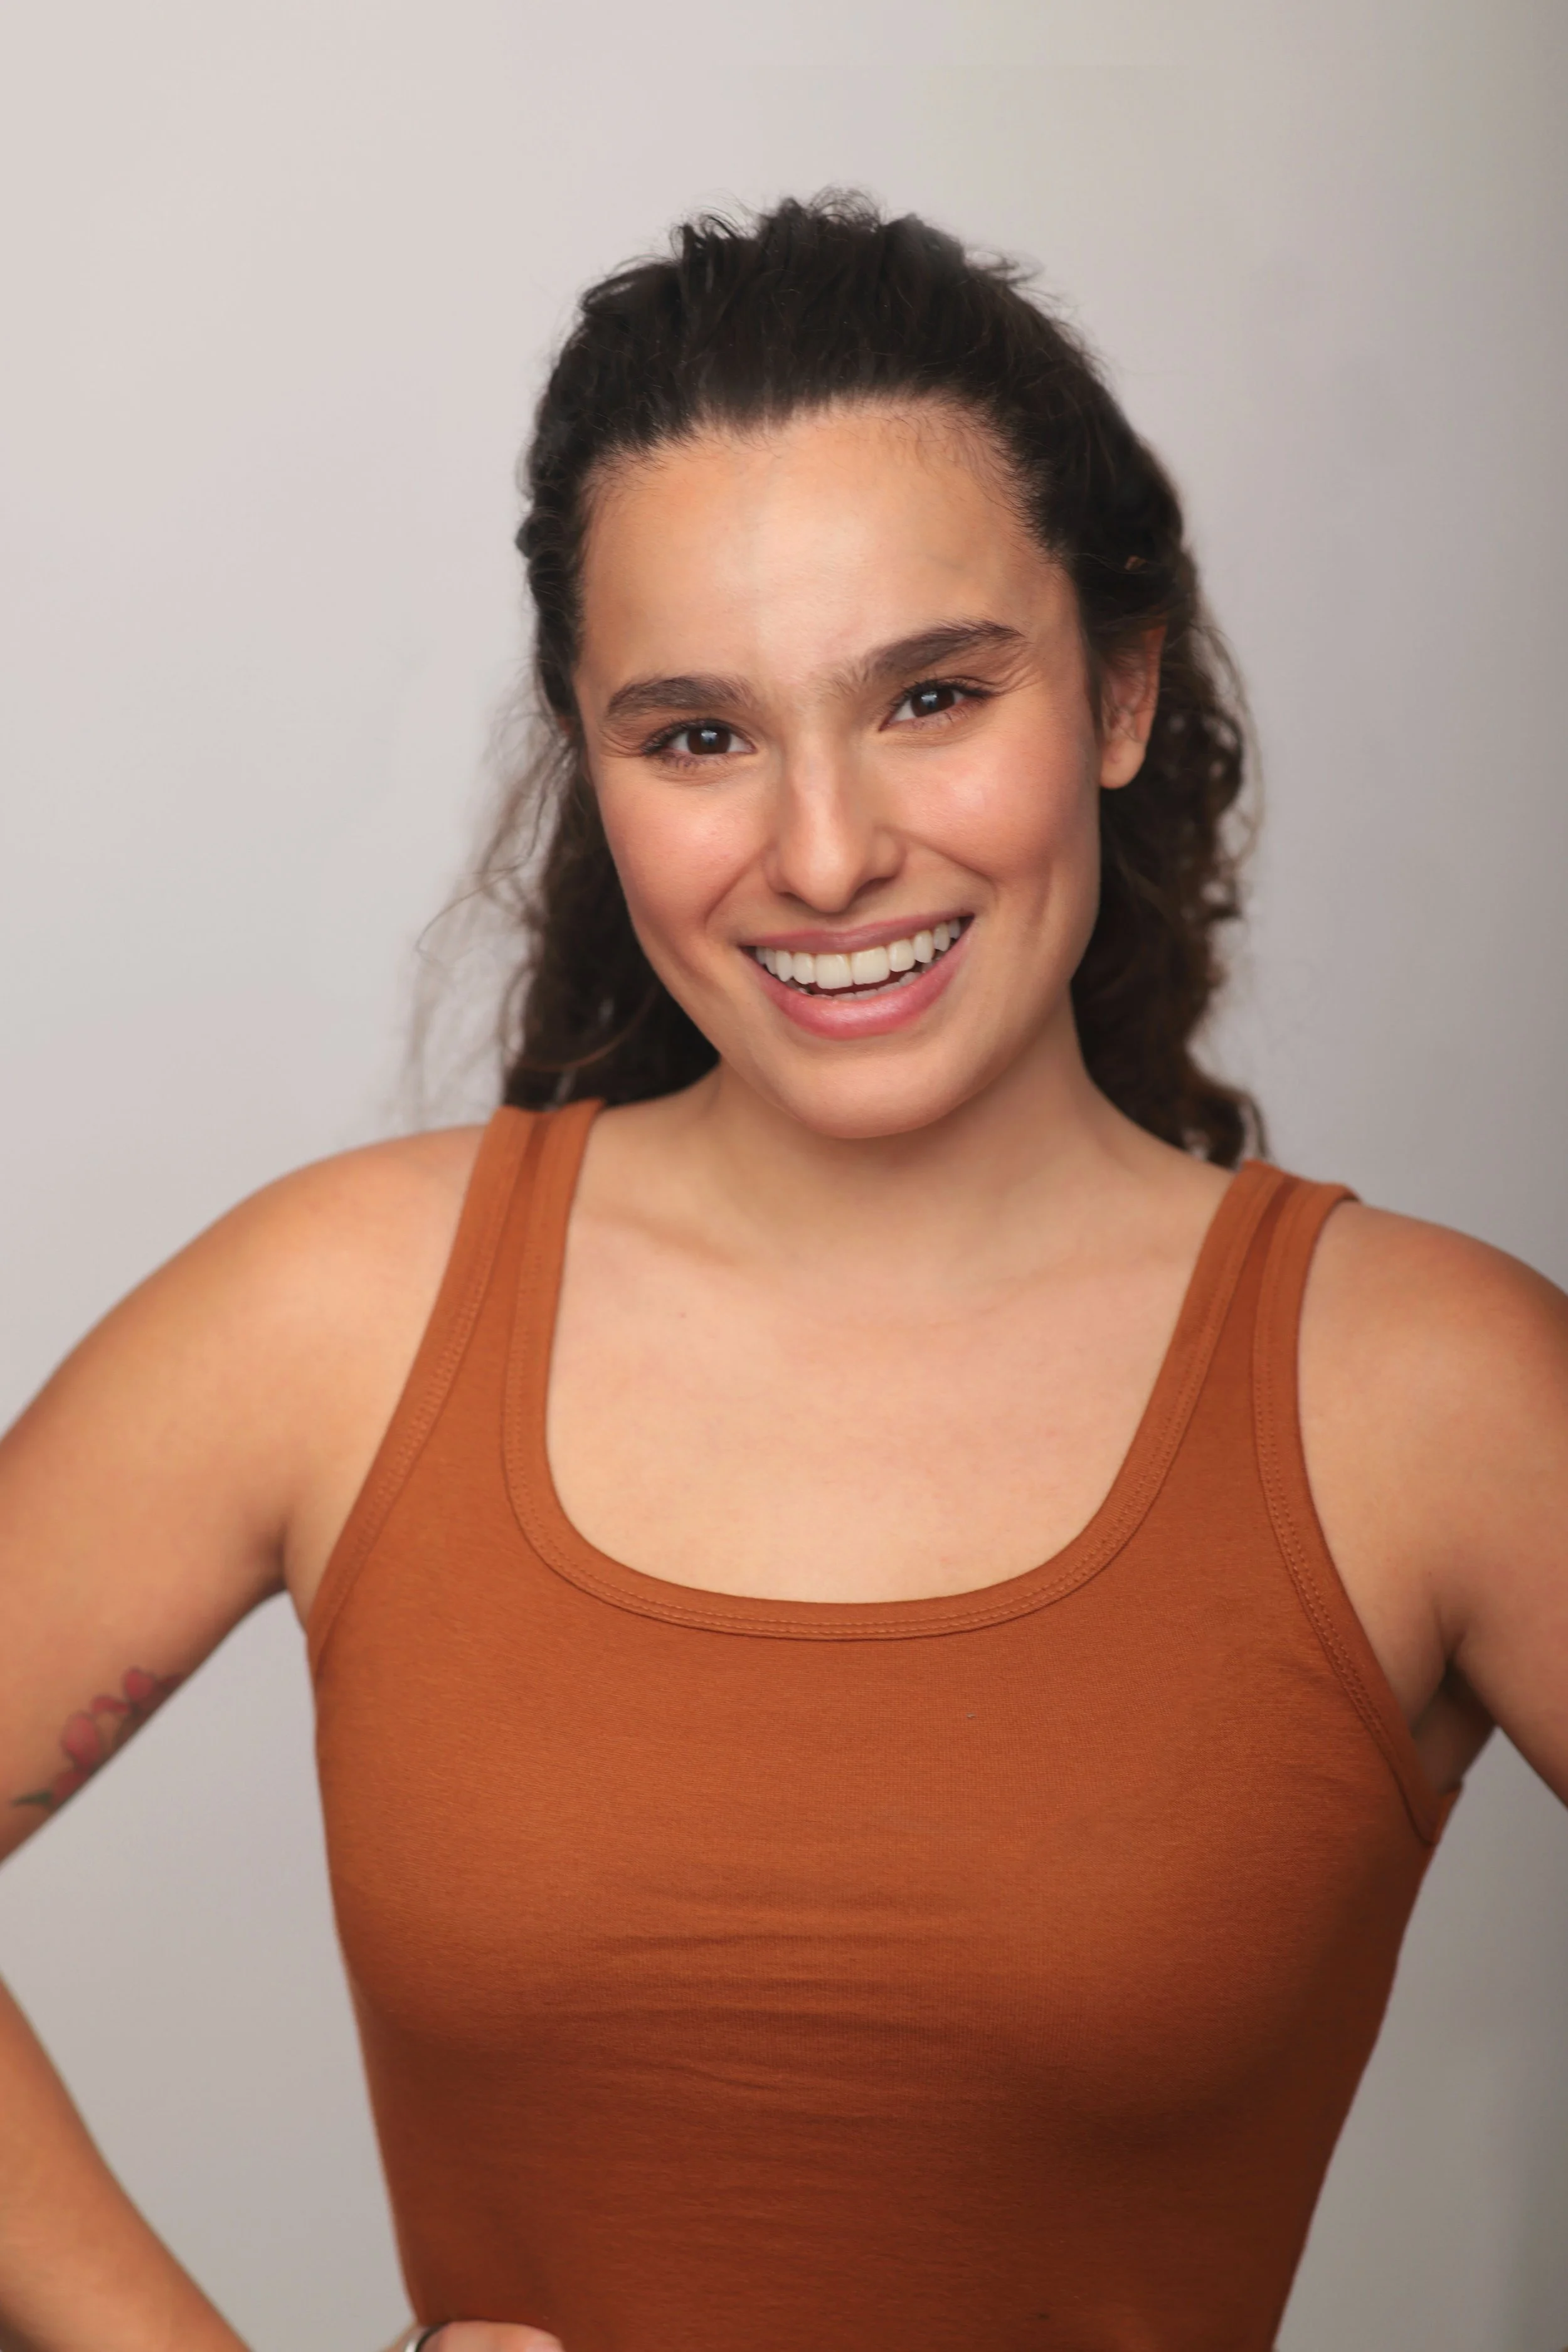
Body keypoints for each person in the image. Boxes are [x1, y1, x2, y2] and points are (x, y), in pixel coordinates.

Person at [1, 194, 1563, 2352]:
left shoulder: (1429, 1394)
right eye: (699, 735)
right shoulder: (340, 1315)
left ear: (1117, 685)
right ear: (594, 761)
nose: (823, 854)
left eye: (930, 694)